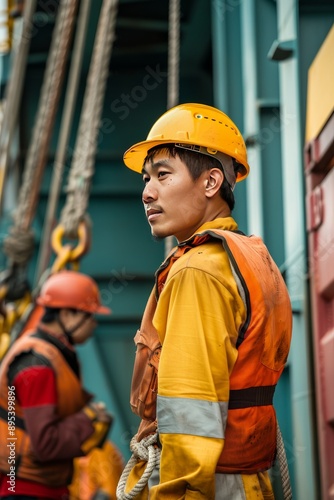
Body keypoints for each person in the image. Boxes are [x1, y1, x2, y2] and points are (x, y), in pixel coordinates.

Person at [118, 103, 293, 499]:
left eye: (163, 174)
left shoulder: (197, 271)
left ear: (212, 182)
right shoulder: (249, 257)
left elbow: (189, 416)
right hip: (243, 479)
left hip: (208, 484)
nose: (147, 192)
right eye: (147, 178)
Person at [0, 270, 113, 500]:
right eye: (89, 315)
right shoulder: (37, 366)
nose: (93, 324)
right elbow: (46, 444)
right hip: (26, 491)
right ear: (67, 314)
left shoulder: (46, 352)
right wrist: (89, 420)